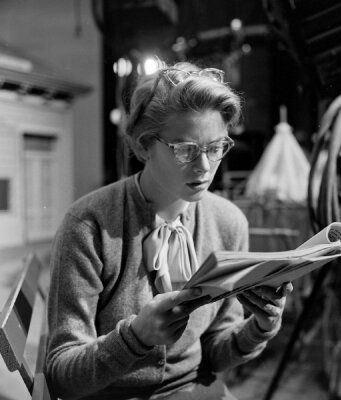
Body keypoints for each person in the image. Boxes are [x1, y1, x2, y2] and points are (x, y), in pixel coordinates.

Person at [45, 60, 293, 400]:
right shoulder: (89, 225)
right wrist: (136, 338)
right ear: (143, 145)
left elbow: (215, 350)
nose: (205, 167)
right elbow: (62, 376)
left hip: (191, 388)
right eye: (186, 149)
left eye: (216, 147)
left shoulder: (227, 221)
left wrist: (260, 327)